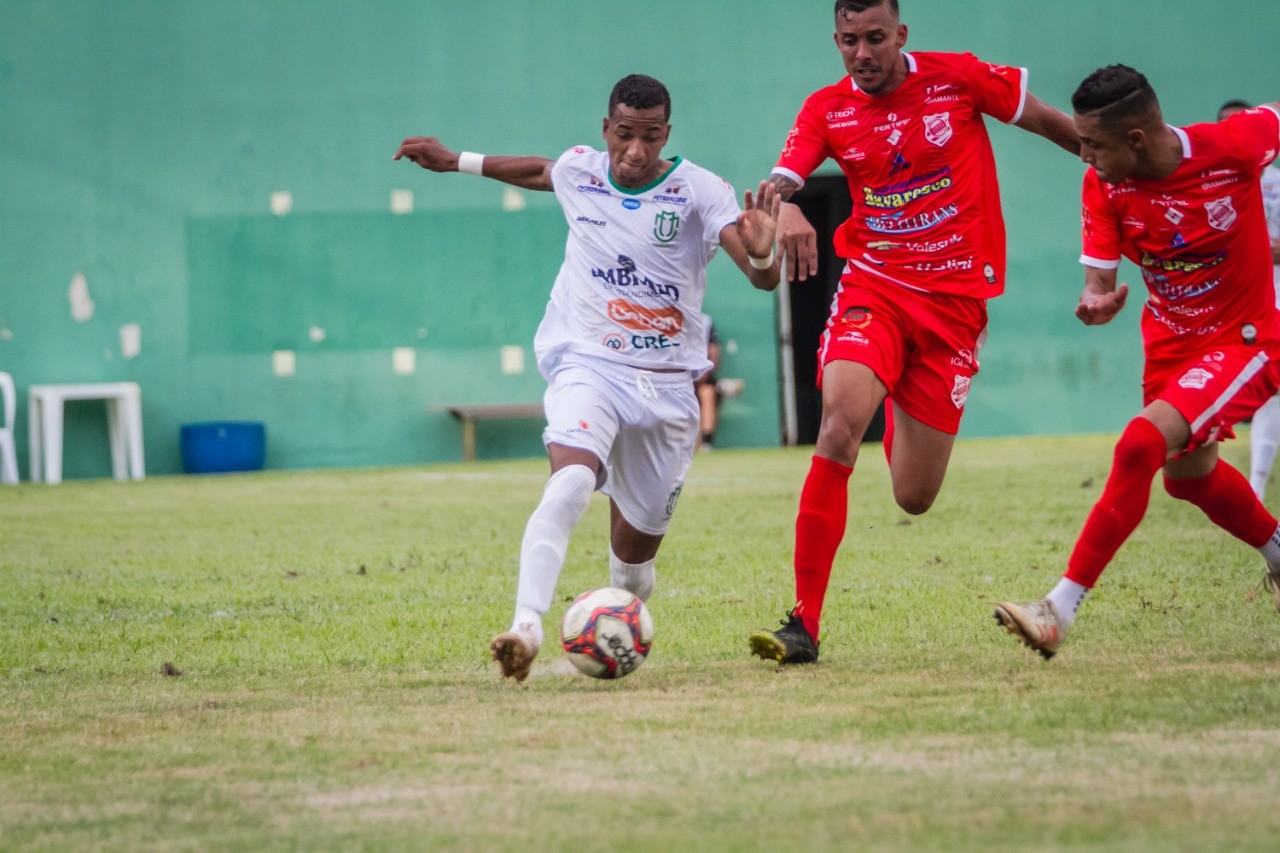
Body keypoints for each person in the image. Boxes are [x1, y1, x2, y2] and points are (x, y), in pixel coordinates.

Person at [395, 74, 781, 681]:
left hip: (668, 388)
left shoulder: (701, 191)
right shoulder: (583, 170)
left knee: (632, 566)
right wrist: (456, 162)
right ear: (606, 129)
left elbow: (763, 278)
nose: (635, 151)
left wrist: (763, 252)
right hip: (590, 364)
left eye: (650, 137)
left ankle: (617, 610)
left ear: (667, 135)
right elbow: (537, 171)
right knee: (571, 480)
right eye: (624, 134)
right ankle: (525, 627)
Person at [746, 0, 1080, 664]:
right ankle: (803, 623)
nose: (862, 53)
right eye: (849, 41)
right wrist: (780, 208)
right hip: (875, 287)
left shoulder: (958, 79)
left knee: (914, 495)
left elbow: (1050, 123)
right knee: (838, 423)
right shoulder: (826, 108)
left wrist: (1118, 167)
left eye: (875, 38)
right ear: (836, 40)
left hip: (956, 304)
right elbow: (781, 178)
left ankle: (897, 392)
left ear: (901, 35)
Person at [995, 66, 1280, 659]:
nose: (1082, 154)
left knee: (1137, 445)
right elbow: (1098, 277)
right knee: (1189, 480)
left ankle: (1058, 608)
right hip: (1170, 347)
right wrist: (1095, 301)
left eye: (1092, 144)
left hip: (1244, 338)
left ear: (1136, 140)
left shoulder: (1234, 146)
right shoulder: (1103, 184)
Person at [1219, 100, 1280, 500]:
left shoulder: (1274, 182)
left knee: (1273, 387)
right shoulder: (1207, 183)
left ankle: (1254, 487)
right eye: (1226, 126)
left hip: (1275, 287)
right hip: (1230, 292)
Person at [695, 314, 721, 450]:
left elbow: (714, 352)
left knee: (708, 393)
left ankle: (706, 443)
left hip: (702, 375)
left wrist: (704, 372)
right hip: (675, 377)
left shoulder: (706, 321)